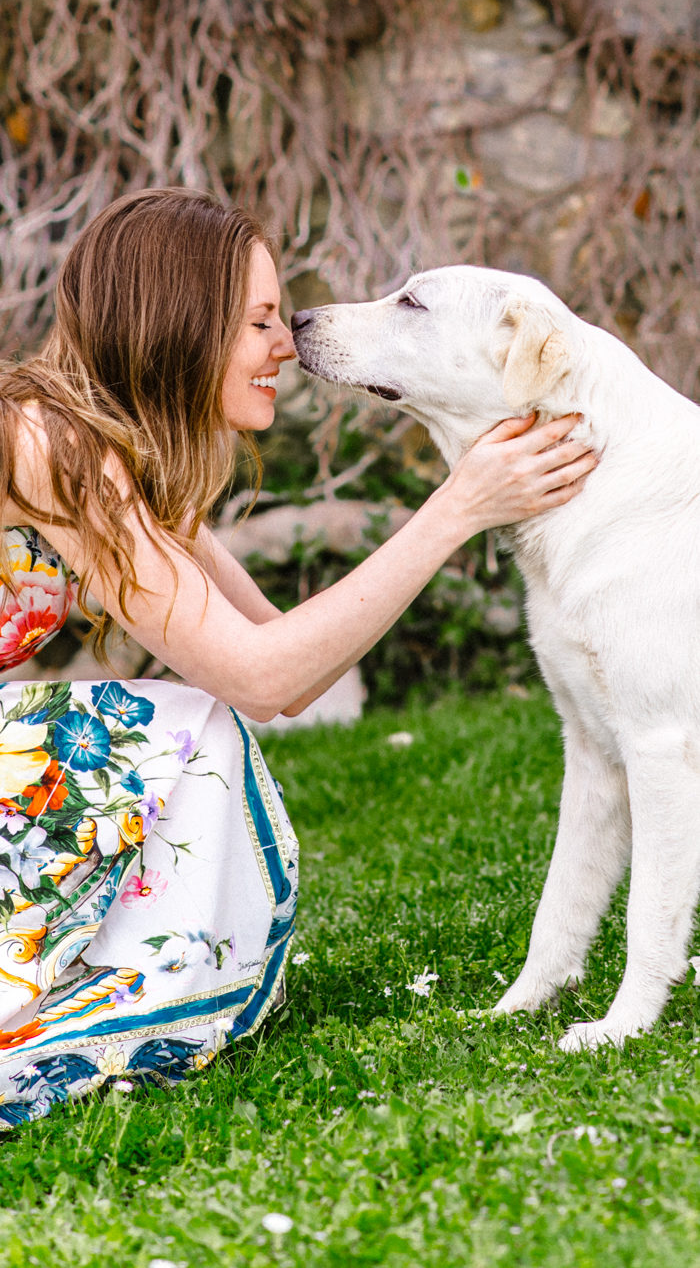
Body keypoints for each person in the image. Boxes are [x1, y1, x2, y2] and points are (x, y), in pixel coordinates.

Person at [0, 190, 596, 1129]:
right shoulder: (49, 444)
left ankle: (121, 978)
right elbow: (260, 674)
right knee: (167, 725)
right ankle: (107, 998)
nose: (287, 342)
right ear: (179, 321)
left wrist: (462, 504)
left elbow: (287, 668)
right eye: (261, 320)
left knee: (200, 724)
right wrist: (455, 509)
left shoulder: (120, 461)